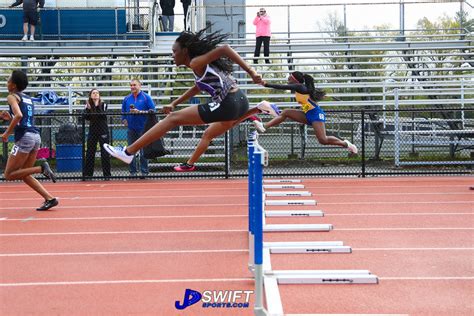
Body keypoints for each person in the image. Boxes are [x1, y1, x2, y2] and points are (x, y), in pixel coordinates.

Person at [104, 28, 277, 172]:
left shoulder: (196, 62)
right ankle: (257, 109)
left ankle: (128, 151)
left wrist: (252, 71)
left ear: (185, 51)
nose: (172, 55)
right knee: (211, 132)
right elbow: (198, 87)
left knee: (172, 119)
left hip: (228, 102)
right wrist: (174, 103)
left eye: (174, 51)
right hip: (240, 100)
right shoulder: (198, 67)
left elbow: (224, 48)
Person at [260, 71, 358, 154]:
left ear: (295, 79)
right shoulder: (300, 89)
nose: (288, 78)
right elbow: (307, 103)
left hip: (316, 114)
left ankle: (346, 144)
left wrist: (266, 84)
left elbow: (282, 87)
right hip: (308, 113)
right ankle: (264, 126)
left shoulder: (300, 87)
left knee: (323, 140)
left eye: (290, 77)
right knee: (286, 112)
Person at [1, 70, 58, 211]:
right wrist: (10, 117)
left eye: (8, 80)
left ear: (13, 85)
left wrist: (6, 133)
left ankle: (41, 168)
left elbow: (19, 115)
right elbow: (23, 116)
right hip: (35, 136)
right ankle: (50, 198)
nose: (6, 82)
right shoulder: (28, 98)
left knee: (8, 174)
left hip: (25, 138)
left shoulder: (11, 97)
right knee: (25, 173)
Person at [121, 79, 156, 177]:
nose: (132, 87)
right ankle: (133, 172)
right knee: (130, 150)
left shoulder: (146, 97)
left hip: (144, 128)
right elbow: (123, 111)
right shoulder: (127, 98)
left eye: (134, 85)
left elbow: (153, 111)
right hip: (131, 128)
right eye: (131, 85)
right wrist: (124, 119)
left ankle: (144, 172)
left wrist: (139, 112)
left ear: (139, 86)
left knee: (143, 151)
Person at [83, 88, 111, 179]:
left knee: (105, 153)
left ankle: (107, 175)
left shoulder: (104, 104)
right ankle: (88, 174)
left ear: (99, 95)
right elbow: (86, 117)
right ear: (90, 95)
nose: (95, 94)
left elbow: (102, 115)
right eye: (93, 93)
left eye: (97, 93)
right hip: (92, 131)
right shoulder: (88, 105)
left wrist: (96, 106)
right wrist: (88, 109)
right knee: (90, 152)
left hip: (103, 131)